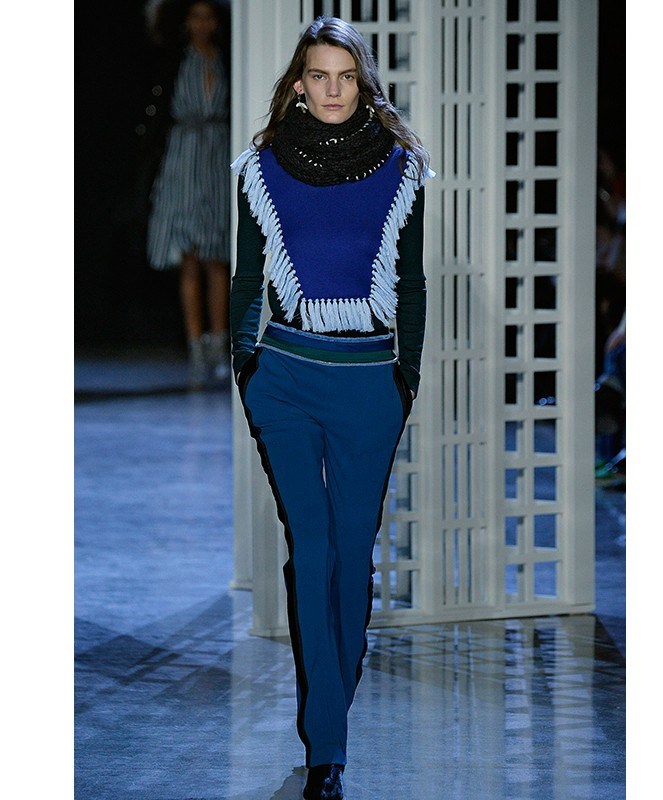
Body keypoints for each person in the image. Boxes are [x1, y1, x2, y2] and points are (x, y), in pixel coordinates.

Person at [229, 16, 431, 800]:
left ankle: (331, 712)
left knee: (352, 551)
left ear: (363, 81)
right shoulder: (262, 167)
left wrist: (404, 380)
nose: (333, 90)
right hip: (283, 376)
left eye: (345, 76)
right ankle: (327, 754)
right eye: (319, 75)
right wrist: (247, 370)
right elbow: (250, 279)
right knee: (311, 549)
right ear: (299, 83)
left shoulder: (401, 168)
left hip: (367, 381)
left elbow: (410, 282)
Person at [142, 0, 232, 389]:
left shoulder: (227, 60)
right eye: (196, 16)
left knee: (217, 256)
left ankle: (219, 345)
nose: (202, 24)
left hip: (216, 154)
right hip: (183, 156)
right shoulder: (174, 59)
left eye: (207, 17)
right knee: (189, 256)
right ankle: (195, 347)